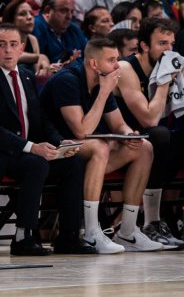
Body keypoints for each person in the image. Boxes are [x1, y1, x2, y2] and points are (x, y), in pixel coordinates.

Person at [39, 37, 163, 253]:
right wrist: (105, 91)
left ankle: (128, 231)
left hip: (82, 153)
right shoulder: (67, 80)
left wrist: (129, 134)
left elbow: (118, 124)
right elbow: (80, 130)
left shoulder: (102, 82)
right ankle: (91, 232)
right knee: (99, 147)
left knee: (144, 147)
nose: (117, 66)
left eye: (117, 59)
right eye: (111, 60)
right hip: (52, 149)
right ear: (94, 64)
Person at [0, 23, 95, 256]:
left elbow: (42, 119)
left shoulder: (27, 76)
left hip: (28, 151)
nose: (8, 51)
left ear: (22, 47)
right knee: (37, 163)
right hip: (5, 152)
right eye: (1, 45)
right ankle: (23, 236)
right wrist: (32, 147)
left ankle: (69, 236)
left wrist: (61, 142)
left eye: (13, 45)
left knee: (73, 162)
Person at [114, 17, 184, 248]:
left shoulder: (162, 67)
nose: (169, 51)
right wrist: (165, 82)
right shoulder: (126, 68)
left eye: (171, 44)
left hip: (145, 142)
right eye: (162, 44)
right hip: (118, 139)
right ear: (145, 46)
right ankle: (146, 221)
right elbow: (149, 118)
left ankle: (155, 223)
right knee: (160, 135)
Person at [33, 0, 86, 65]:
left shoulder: (73, 29)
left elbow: (88, 56)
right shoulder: (36, 27)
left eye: (71, 11)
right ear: (47, 11)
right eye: (64, 11)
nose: (69, 17)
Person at [2, 0, 50, 75]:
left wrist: (46, 69)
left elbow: (36, 71)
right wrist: (38, 57)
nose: (30, 17)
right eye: (22, 14)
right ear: (11, 20)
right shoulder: (3, 37)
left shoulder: (32, 39)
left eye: (31, 13)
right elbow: (11, 56)